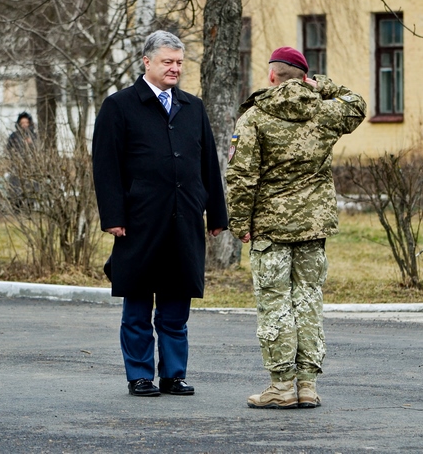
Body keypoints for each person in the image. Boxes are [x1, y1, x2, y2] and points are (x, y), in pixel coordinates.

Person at [226, 47, 366, 409]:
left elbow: (241, 176)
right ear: (304, 78)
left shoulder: (255, 116)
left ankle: (281, 386)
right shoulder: (325, 111)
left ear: (271, 76)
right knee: (308, 300)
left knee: (275, 303)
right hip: (312, 227)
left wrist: (240, 222)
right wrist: (322, 85)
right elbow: (357, 103)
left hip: (270, 226)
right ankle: (307, 385)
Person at [92, 30, 228, 397]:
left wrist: (216, 213)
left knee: (176, 304)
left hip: (185, 219)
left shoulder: (192, 107)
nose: (175, 68)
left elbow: (208, 163)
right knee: (137, 302)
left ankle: (173, 374)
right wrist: (113, 216)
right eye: (168, 62)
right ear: (147, 61)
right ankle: (139, 375)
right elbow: (105, 166)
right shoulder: (119, 106)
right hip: (139, 221)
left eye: (179, 63)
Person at [6, 112, 37, 209]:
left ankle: (30, 206)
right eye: (22, 123)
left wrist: (31, 143)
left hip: (31, 167)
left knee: (30, 188)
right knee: (16, 188)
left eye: (26, 122)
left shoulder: (34, 136)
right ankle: (16, 207)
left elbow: (38, 149)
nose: (24, 125)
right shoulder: (14, 136)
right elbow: (9, 149)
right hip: (17, 166)